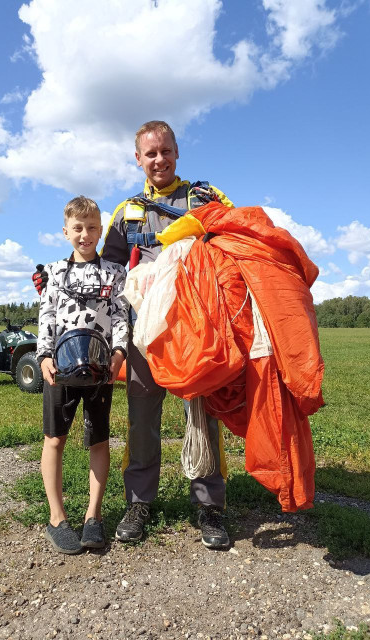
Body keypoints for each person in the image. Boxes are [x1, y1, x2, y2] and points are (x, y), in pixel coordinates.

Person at [33, 121, 234, 550]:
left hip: (199, 332)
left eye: (165, 151)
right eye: (150, 153)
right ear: (138, 159)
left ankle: (209, 505)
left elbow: (237, 240)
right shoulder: (128, 213)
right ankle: (139, 502)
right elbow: (106, 277)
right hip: (146, 335)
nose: (159, 160)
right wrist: (54, 284)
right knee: (142, 418)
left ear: (177, 152)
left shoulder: (206, 198)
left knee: (203, 415)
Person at [36, 196, 128, 554]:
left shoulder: (115, 273)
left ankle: (94, 516)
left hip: (100, 369)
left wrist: (119, 352)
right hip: (60, 367)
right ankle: (56, 518)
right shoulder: (55, 273)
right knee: (55, 439)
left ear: (101, 230)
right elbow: (47, 315)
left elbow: (121, 316)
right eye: (78, 228)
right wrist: (44, 355)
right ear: (66, 231)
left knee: (99, 440)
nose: (85, 235)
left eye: (92, 228)